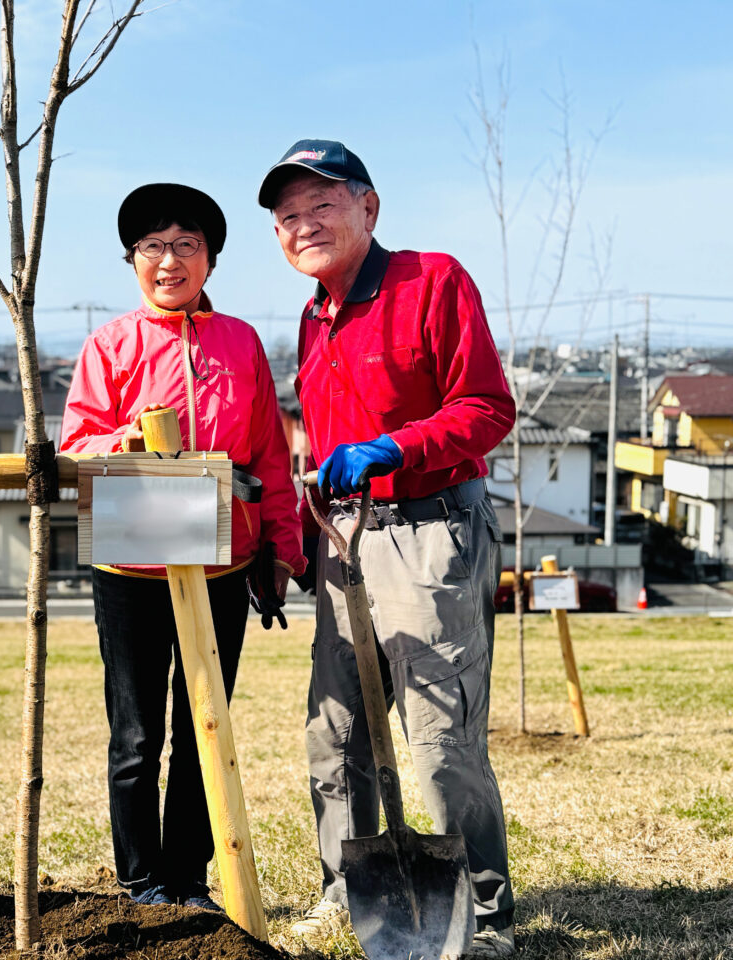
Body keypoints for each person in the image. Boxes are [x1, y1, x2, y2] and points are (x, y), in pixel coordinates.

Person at [257, 140, 518, 957]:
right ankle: (347, 888)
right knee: (335, 732)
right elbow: (320, 452)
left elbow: (487, 408)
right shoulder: (311, 317)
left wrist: (396, 448)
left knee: (440, 736)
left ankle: (480, 914)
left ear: (369, 207)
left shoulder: (432, 280)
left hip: (432, 529)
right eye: (287, 216)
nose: (304, 225)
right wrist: (295, 545)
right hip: (346, 540)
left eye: (321, 205)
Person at [60, 183, 306, 912]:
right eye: (153, 247)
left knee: (204, 722)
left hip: (222, 562)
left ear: (211, 259)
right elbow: (75, 447)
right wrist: (121, 439)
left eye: (186, 245)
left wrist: (281, 550)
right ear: (133, 261)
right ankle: (141, 883)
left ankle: (190, 879)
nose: (170, 261)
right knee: (134, 734)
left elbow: (269, 456)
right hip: (129, 563)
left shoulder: (240, 342)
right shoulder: (109, 344)